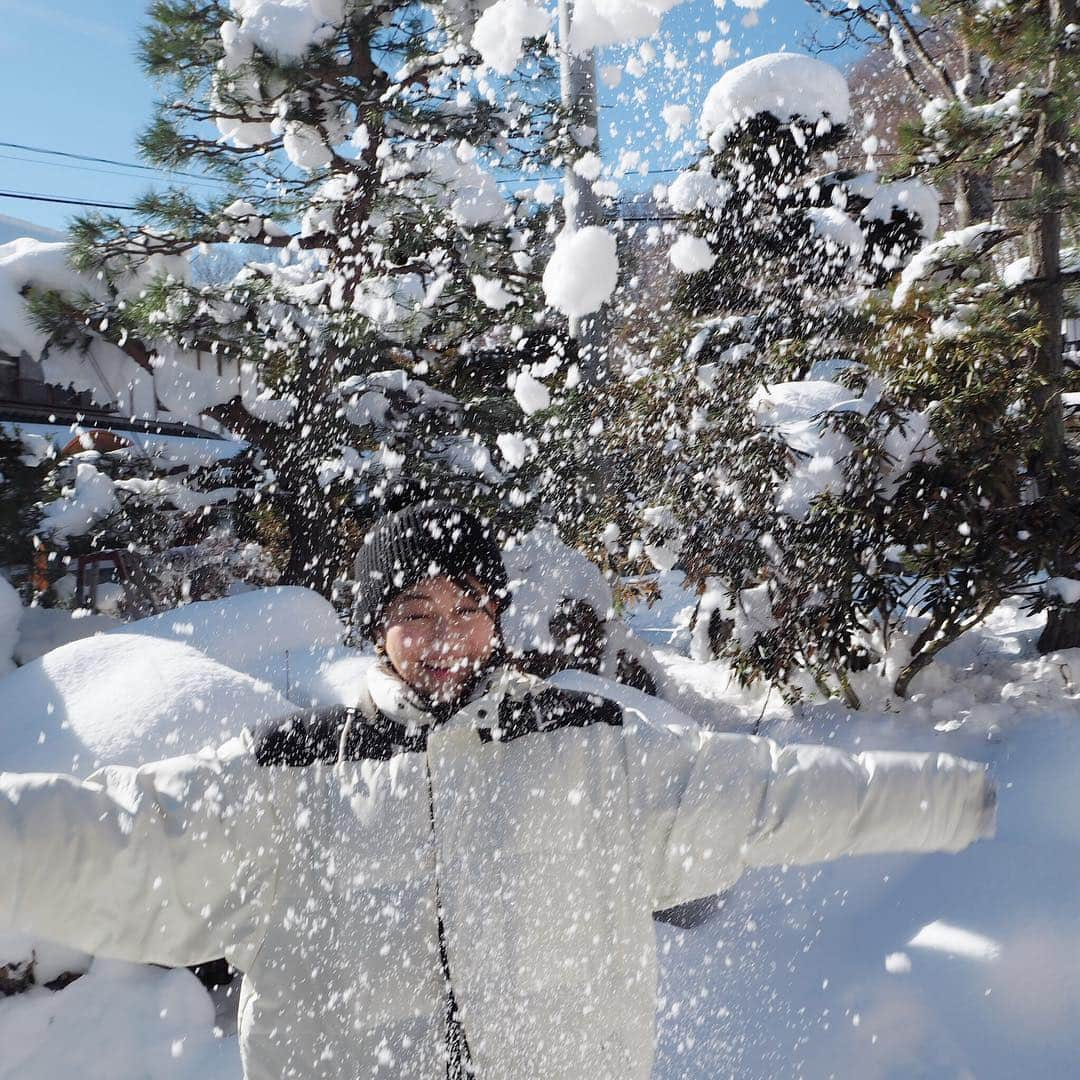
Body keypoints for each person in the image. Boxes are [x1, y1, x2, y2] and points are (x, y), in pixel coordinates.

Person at [0, 501, 996, 1080]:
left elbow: (776, 794)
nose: (446, 636)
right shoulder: (298, 772)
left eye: (470, 607)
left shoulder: (583, 752)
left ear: (498, 621)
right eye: (415, 610)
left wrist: (955, 799)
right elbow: (117, 837)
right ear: (374, 627)